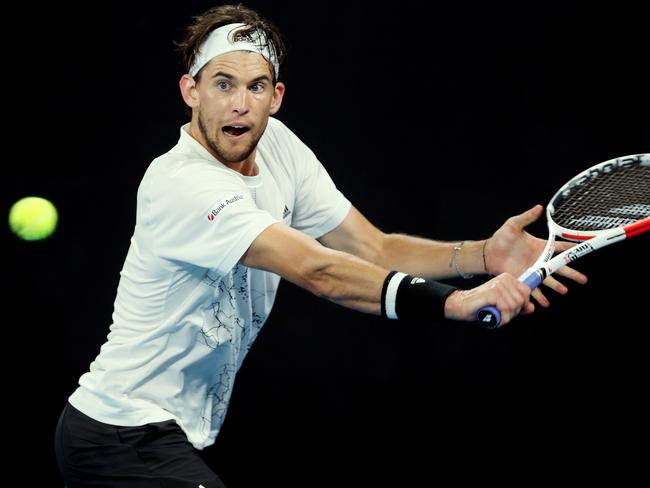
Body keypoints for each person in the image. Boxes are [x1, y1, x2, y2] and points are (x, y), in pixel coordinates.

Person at [54, 4, 587, 487]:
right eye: (222, 84)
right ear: (191, 91)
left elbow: (370, 248)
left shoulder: (279, 147)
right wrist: (450, 302)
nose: (240, 106)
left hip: (165, 434)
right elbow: (318, 270)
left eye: (257, 87)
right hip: (117, 434)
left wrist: (481, 257)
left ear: (276, 97)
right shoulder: (180, 183)